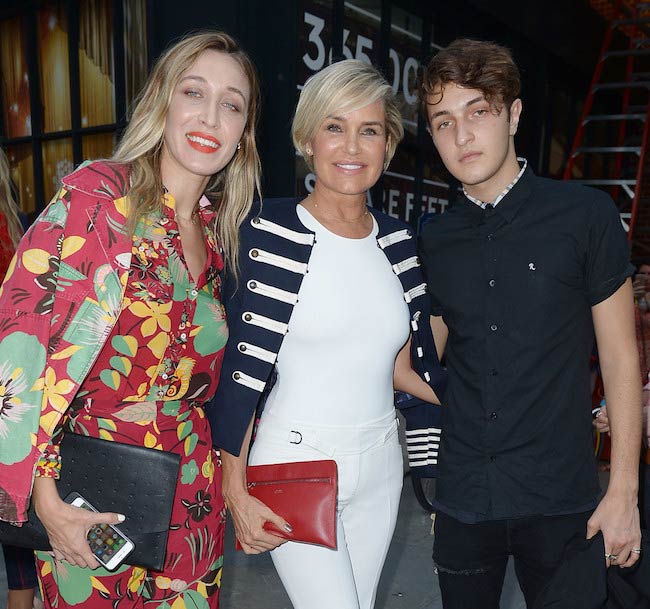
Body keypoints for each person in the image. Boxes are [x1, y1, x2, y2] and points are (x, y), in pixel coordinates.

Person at [0, 30, 261, 609]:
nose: (210, 116)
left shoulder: (221, 240)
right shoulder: (102, 198)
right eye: (194, 92)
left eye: (232, 104)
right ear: (163, 103)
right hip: (90, 489)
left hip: (194, 495)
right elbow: (20, 340)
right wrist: (44, 497)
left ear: (243, 134)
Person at [208, 59, 446, 609]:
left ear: (388, 145)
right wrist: (235, 490)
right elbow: (238, 374)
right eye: (334, 127)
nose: (351, 146)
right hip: (295, 462)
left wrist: (489, 407)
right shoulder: (262, 230)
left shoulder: (399, 243)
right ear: (308, 138)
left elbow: (399, 369)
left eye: (370, 130)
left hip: (384, 462)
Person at [418, 39, 642, 609]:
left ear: (514, 115)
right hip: (465, 496)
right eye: (444, 121)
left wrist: (622, 493)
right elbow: (422, 360)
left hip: (561, 500)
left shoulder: (585, 216)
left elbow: (620, 361)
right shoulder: (434, 239)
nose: (462, 135)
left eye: (479, 112)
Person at [0, 149, 42, 609]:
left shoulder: (17, 225)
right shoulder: (21, 225)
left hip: (13, 383)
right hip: (18, 382)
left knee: (16, 525)